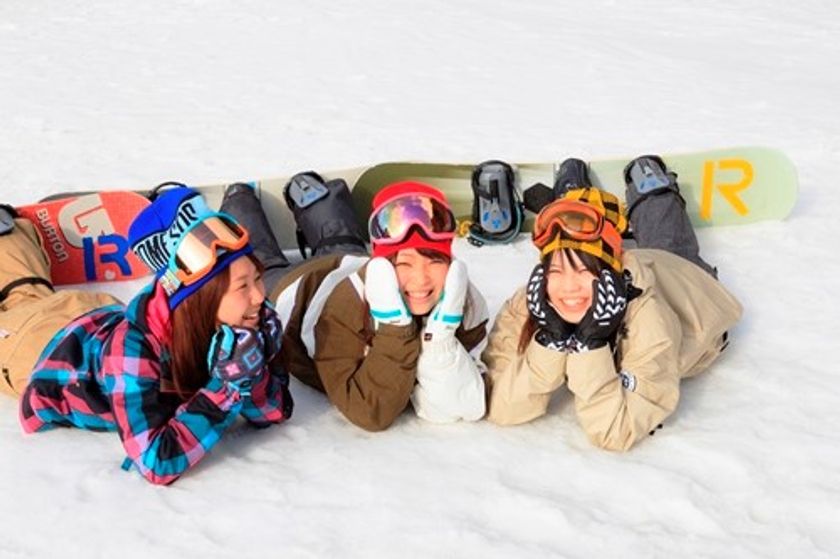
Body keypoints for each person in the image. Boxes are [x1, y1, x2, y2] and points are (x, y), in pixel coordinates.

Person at [7, 186, 292, 485]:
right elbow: (156, 462)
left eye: (257, 278)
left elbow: (274, 412)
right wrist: (227, 388)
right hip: (42, 353)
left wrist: (255, 369)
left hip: (104, 316)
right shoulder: (131, 352)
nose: (259, 296)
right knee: (23, 296)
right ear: (202, 298)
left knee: (33, 293)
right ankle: (9, 237)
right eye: (243, 286)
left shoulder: (233, 318)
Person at [484, 156, 743, 451]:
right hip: (624, 264)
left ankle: (651, 188)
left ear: (607, 274)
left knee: (666, 237)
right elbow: (500, 405)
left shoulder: (648, 319)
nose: (568, 286)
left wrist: (590, 345)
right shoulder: (531, 301)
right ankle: (575, 197)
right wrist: (550, 342)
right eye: (557, 270)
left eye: (583, 271)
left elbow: (617, 430)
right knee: (576, 224)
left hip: (688, 285)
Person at [270, 180, 489, 431]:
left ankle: (317, 196)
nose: (421, 279)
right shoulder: (344, 311)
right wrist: (395, 328)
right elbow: (369, 411)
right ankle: (243, 196)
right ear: (382, 268)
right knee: (263, 262)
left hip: (350, 260)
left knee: (340, 238)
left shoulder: (465, 302)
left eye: (434, 262)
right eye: (404, 263)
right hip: (294, 291)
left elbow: (466, 399)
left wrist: (441, 337)